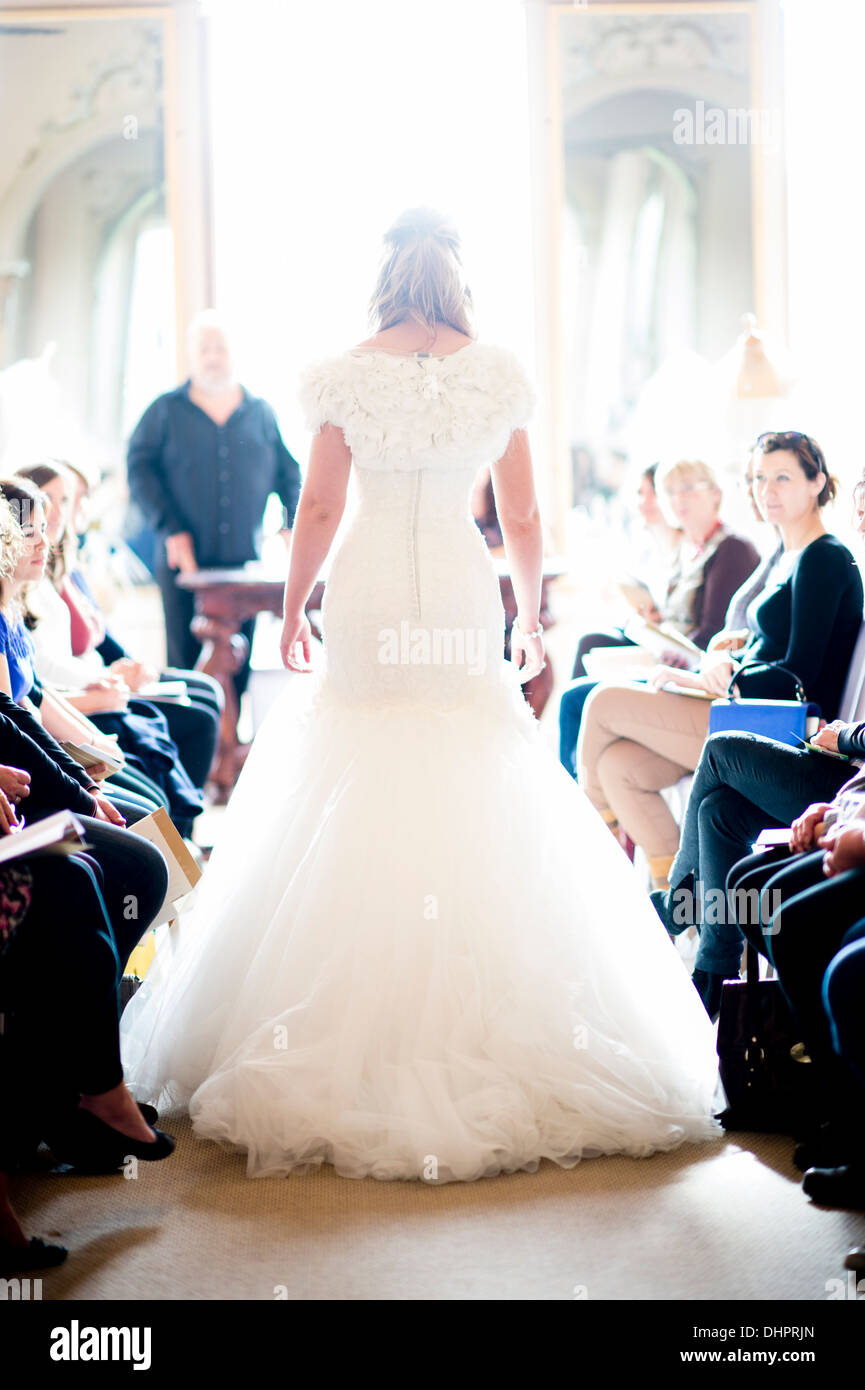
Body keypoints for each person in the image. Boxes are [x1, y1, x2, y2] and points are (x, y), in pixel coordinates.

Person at [120, 208, 720, 1184]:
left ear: (388, 271)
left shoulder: (346, 371)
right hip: (450, 579)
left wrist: (293, 603)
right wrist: (528, 615)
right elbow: (520, 513)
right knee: (465, 752)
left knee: (358, 749)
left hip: (366, 588)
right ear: (454, 272)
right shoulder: (494, 371)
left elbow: (316, 505)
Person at [578, 431, 864, 891]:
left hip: (777, 725)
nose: (766, 490)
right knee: (618, 765)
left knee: (602, 702)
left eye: (782, 478)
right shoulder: (786, 554)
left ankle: (596, 846)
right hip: (740, 704)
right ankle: (675, 904)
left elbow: (800, 677)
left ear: (817, 483)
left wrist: (728, 676)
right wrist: (735, 649)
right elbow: (775, 643)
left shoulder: (823, 558)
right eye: (758, 478)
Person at [126, 312, 303, 703]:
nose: (212, 357)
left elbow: (291, 475)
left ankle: (230, 760)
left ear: (235, 354)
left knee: (237, 665)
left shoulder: (260, 413)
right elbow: (138, 470)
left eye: (220, 348)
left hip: (244, 571)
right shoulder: (164, 411)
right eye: (203, 349)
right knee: (186, 669)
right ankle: (197, 762)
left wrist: (292, 525)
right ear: (191, 355)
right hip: (183, 567)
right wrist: (169, 527)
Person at [559, 458, 759, 775]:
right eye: (670, 492)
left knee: (574, 698)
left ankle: (575, 786)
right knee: (591, 642)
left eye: (689, 489)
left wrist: (667, 644)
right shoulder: (687, 548)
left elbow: (713, 633)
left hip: (693, 669)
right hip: (670, 653)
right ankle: (581, 779)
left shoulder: (732, 549)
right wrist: (654, 622)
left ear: (716, 495)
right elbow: (679, 616)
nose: (678, 500)